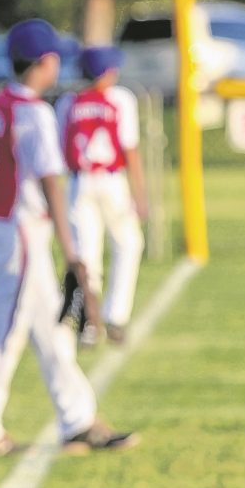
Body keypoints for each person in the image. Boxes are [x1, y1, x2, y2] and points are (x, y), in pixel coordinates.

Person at [0, 19, 140, 457]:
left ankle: (77, 419)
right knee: (4, 331)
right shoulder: (33, 111)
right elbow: (51, 184)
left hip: (3, 225)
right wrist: (73, 250)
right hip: (23, 229)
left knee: (52, 329)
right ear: (44, 62)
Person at [55, 46, 147, 346]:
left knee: (86, 254)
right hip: (111, 180)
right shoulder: (120, 98)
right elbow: (129, 148)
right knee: (128, 244)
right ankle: (115, 316)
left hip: (78, 182)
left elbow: (60, 152)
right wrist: (140, 193)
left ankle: (88, 324)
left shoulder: (68, 102)